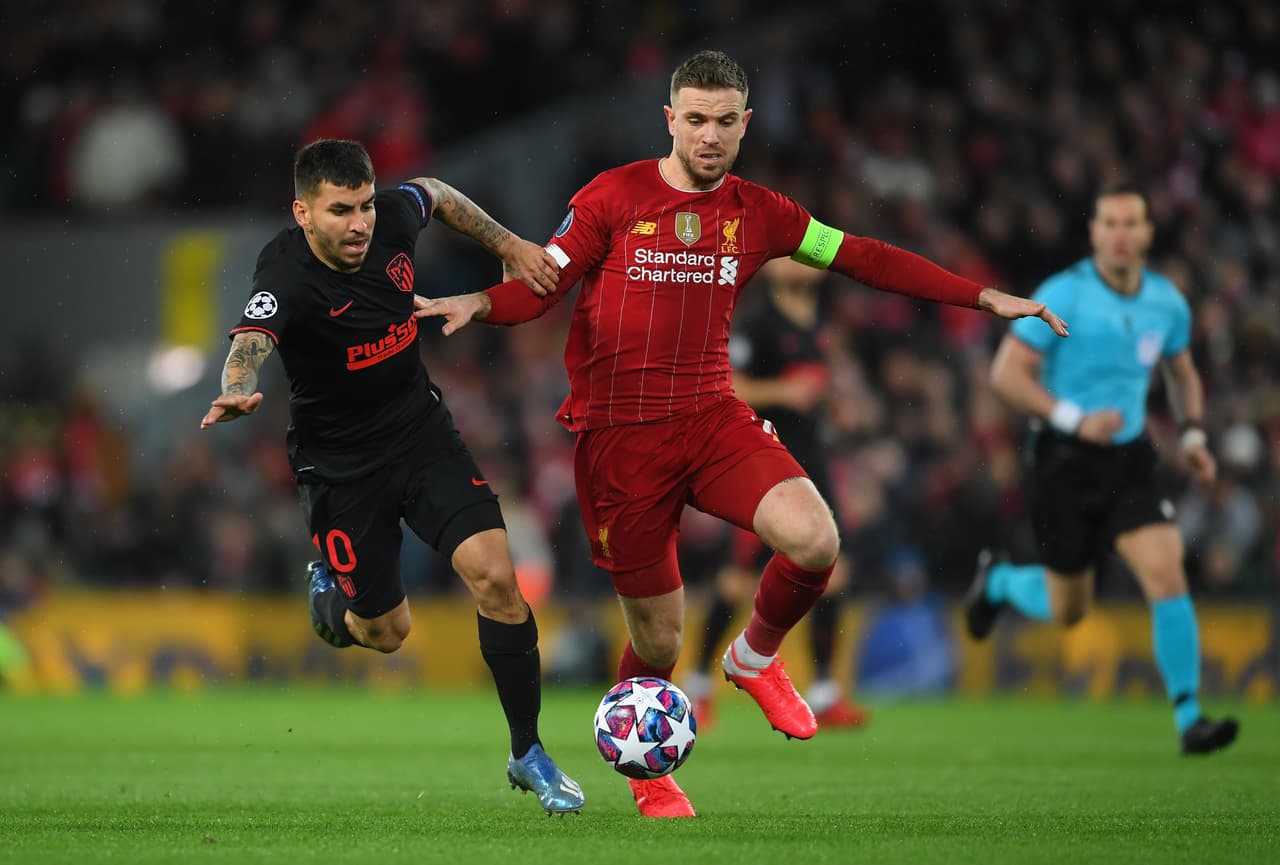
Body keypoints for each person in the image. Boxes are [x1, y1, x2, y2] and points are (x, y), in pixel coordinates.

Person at [415, 51, 1067, 818]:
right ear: (670, 119)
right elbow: (544, 282)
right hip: (620, 442)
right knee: (658, 639)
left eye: (726, 121)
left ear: (746, 122)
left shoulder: (764, 213)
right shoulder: (613, 196)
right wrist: (480, 305)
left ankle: (754, 657)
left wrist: (982, 297)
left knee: (816, 538)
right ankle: (648, 773)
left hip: (712, 416)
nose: (710, 134)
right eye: (695, 119)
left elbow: (862, 256)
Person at [199, 139, 585, 814]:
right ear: (303, 212)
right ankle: (328, 597)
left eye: (365, 206)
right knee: (386, 632)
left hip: (419, 436)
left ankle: (528, 751)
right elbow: (250, 341)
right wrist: (238, 386)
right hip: (341, 469)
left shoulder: (392, 220)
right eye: (341, 210)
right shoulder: (285, 272)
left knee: (497, 574)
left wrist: (515, 245)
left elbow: (434, 190)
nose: (359, 223)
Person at [964, 180, 1239, 756]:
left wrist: (1191, 432)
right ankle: (1001, 582)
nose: (1119, 234)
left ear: (1147, 233)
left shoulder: (1166, 302)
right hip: (1063, 462)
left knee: (1166, 574)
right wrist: (1072, 417)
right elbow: (1006, 376)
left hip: (1130, 462)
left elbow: (1182, 370)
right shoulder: (1063, 293)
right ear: (1093, 234)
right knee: (1070, 610)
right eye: (1109, 223)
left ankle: (1190, 718)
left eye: (1130, 223)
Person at [683, 256, 868, 732]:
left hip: (815, 461)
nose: (802, 263)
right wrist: (785, 393)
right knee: (735, 583)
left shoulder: (821, 326)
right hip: (765, 463)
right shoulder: (760, 325)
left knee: (835, 574)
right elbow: (731, 385)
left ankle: (825, 690)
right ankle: (699, 685)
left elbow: (819, 389)